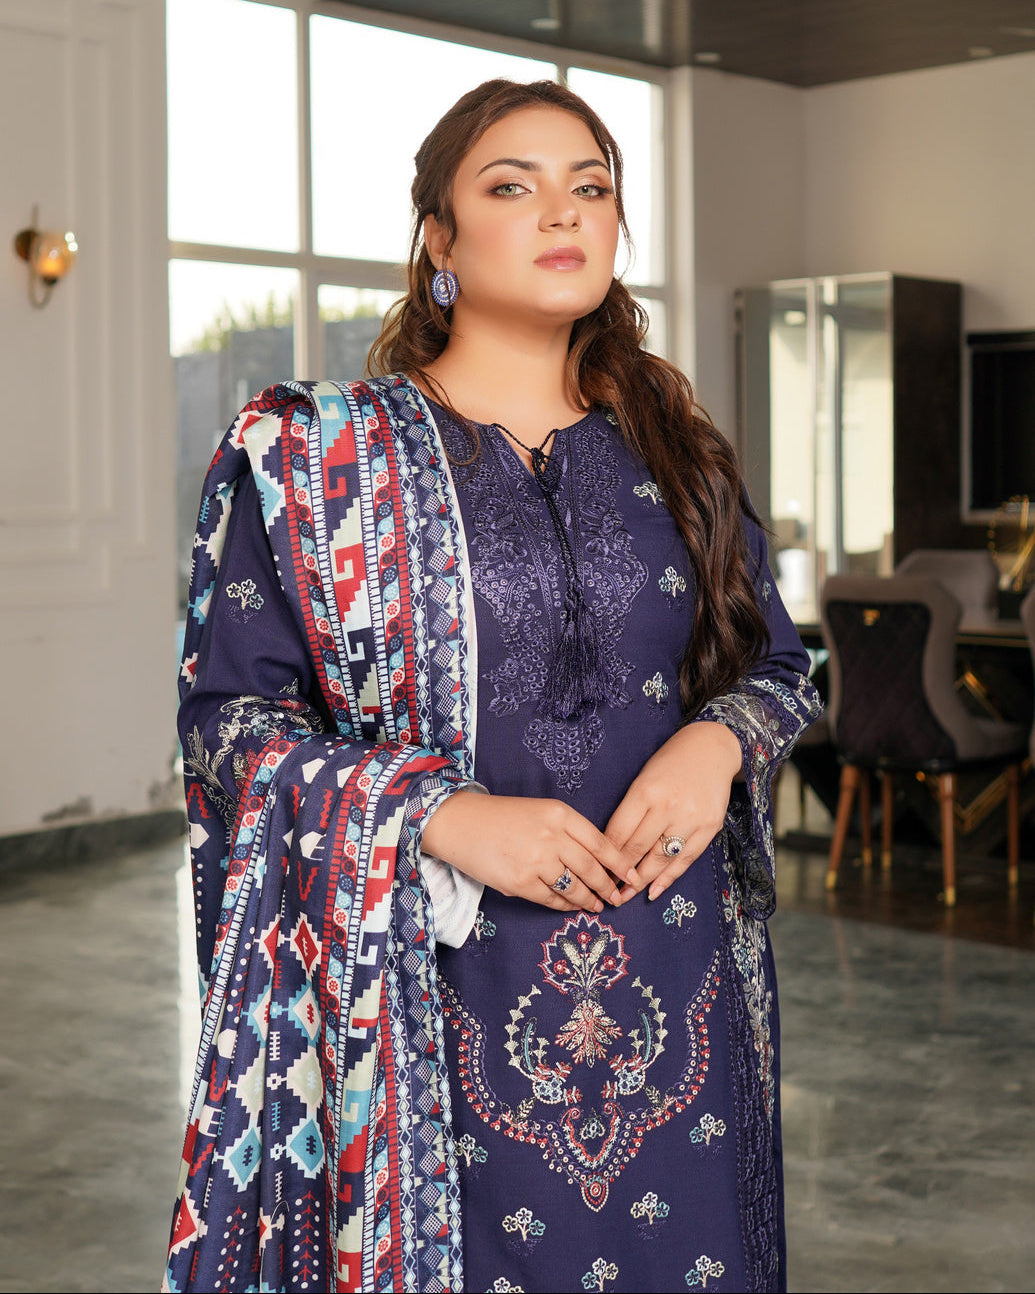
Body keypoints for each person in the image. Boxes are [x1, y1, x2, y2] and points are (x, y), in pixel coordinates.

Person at [163, 78, 822, 1294]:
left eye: (591, 186)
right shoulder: (312, 457)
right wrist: (437, 812)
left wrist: (718, 743)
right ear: (441, 241)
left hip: (682, 978)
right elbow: (230, 727)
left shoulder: (678, 447)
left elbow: (779, 663)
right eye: (513, 186)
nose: (562, 211)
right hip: (431, 998)